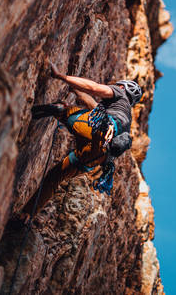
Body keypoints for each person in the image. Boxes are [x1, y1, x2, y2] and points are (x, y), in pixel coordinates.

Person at [23, 63, 142, 215]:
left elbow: (93, 88)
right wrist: (75, 90)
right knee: (55, 177)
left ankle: (58, 110)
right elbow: (93, 106)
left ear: (123, 88)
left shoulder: (119, 93)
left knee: (65, 111)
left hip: (96, 130)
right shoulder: (125, 118)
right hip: (98, 156)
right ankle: (26, 215)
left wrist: (61, 76)